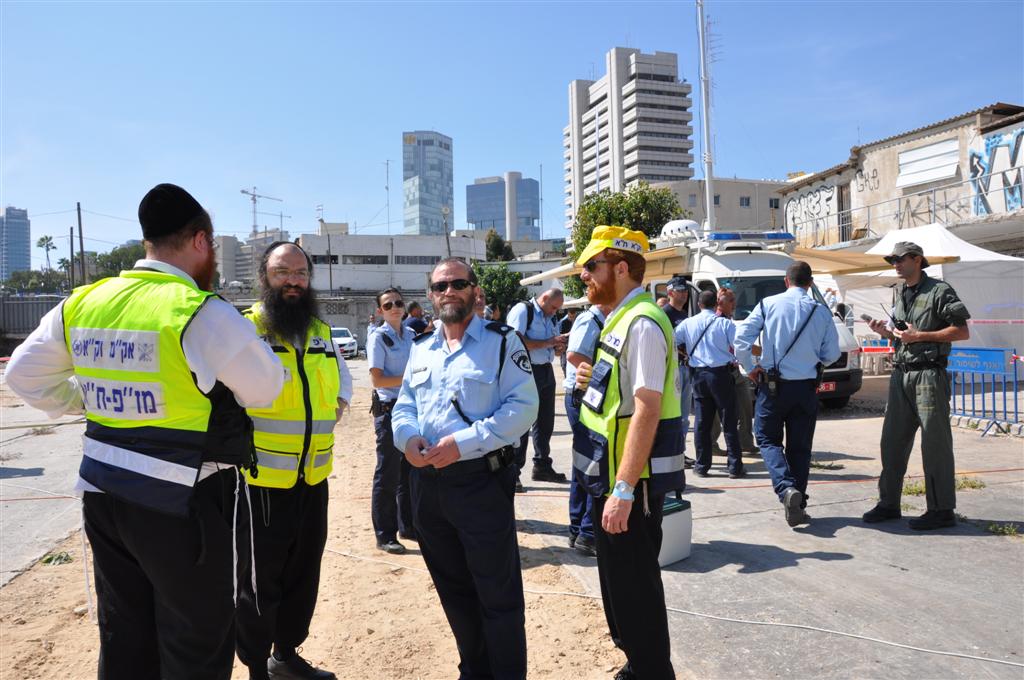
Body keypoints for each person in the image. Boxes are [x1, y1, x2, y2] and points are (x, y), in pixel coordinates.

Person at [5, 183, 285, 680]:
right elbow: (265, 388)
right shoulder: (198, 310)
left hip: (105, 496)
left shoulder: (85, 302)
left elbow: (22, 376)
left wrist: (87, 400)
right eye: (212, 246)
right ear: (200, 241)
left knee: (125, 633)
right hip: (185, 502)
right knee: (196, 643)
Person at [392, 258, 538, 679]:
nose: (449, 291)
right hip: (428, 487)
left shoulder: (501, 341)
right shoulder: (421, 348)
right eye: (440, 286)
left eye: (458, 283)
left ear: (475, 291)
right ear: (431, 295)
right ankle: (474, 670)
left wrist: (463, 443)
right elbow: (405, 405)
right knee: (454, 593)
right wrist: (408, 439)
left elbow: (524, 408)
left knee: (498, 596)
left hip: (480, 484)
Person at [573, 226, 684, 680]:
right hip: (612, 477)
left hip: (630, 483)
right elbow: (619, 396)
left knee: (635, 587)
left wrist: (622, 488)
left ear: (620, 269)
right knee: (619, 584)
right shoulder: (619, 318)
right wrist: (590, 381)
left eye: (591, 266)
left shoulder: (641, 321)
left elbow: (647, 408)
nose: (584, 275)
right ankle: (638, 663)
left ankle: (652, 670)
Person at [237, 242, 351, 680]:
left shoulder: (320, 330)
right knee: (258, 582)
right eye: (283, 271)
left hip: (313, 477)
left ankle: (285, 656)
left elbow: (342, 382)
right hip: (261, 481)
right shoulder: (245, 331)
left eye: (301, 272)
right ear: (265, 277)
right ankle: (255, 668)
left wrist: (337, 407)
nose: (293, 280)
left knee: (303, 575)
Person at [862, 242, 970, 530]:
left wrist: (920, 335)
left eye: (899, 259)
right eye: (892, 260)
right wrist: (887, 333)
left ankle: (942, 509)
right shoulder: (902, 294)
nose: (894, 264)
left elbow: (961, 331)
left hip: (928, 376)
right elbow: (902, 336)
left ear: (917, 260)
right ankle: (889, 503)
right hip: (901, 374)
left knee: (934, 444)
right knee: (892, 441)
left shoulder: (939, 291)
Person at [735, 261, 840, 527]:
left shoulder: (767, 305)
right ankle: (798, 503)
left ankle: (785, 489)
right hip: (806, 388)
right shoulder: (821, 311)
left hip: (772, 386)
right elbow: (832, 354)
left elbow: (741, 339)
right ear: (810, 283)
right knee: (800, 448)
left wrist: (750, 368)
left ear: (786, 281)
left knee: (768, 440)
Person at [676, 290, 745, 479]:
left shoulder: (687, 324)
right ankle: (734, 466)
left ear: (699, 305)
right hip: (721, 374)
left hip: (698, 375)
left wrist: (686, 354)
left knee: (701, 422)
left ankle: (702, 465)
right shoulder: (725, 324)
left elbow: (673, 341)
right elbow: (739, 346)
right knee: (729, 420)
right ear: (717, 304)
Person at [368, 287, 415, 554]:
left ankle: (407, 525)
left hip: (410, 408)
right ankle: (385, 533)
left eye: (398, 303)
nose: (395, 307)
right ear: (380, 311)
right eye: (388, 305)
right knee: (387, 473)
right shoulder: (378, 338)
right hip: (389, 409)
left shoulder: (410, 336)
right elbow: (377, 380)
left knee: (410, 472)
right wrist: (411, 378)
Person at [507, 288, 568, 487]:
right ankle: (513, 472)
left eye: (558, 309)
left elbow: (549, 345)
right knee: (522, 422)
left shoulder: (549, 316)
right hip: (525, 370)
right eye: (553, 307)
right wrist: (549, 342)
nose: (554, 312)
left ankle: (542, 466)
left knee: (545, 421)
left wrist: (558, 346)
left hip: (545, 370)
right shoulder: (523, 311)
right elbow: (516, 342)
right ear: (543, 298)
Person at [563, 303, 607, 557]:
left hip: (587, 393)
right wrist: (604, 377)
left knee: (585, 462)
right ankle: (588, 532)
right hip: (584, 395)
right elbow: (575, 354)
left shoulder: (600, 317)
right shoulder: (591, 319)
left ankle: (579, 528)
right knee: (593, 463)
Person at [710, 288, 758, 455]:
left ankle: (745, 441)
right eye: (730, 300)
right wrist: (765, 352)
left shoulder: (729, 322)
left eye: (734, 299)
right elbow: (742, 345)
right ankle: (712, 444)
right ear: (720, 302)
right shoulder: (717, 322)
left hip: (733, 370)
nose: (734, 304)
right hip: (719, 371)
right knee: (716, 411)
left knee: (745, 406)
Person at [558, 308, 579, 376]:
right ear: (568, 314)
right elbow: (559, 335)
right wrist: (569, 334)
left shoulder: (577, 322)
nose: (572, 318)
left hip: (575, 347)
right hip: (565, 347)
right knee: (564, 365)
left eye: (573, 317)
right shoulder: (563, 322)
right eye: (570, 317)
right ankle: (566, 378)